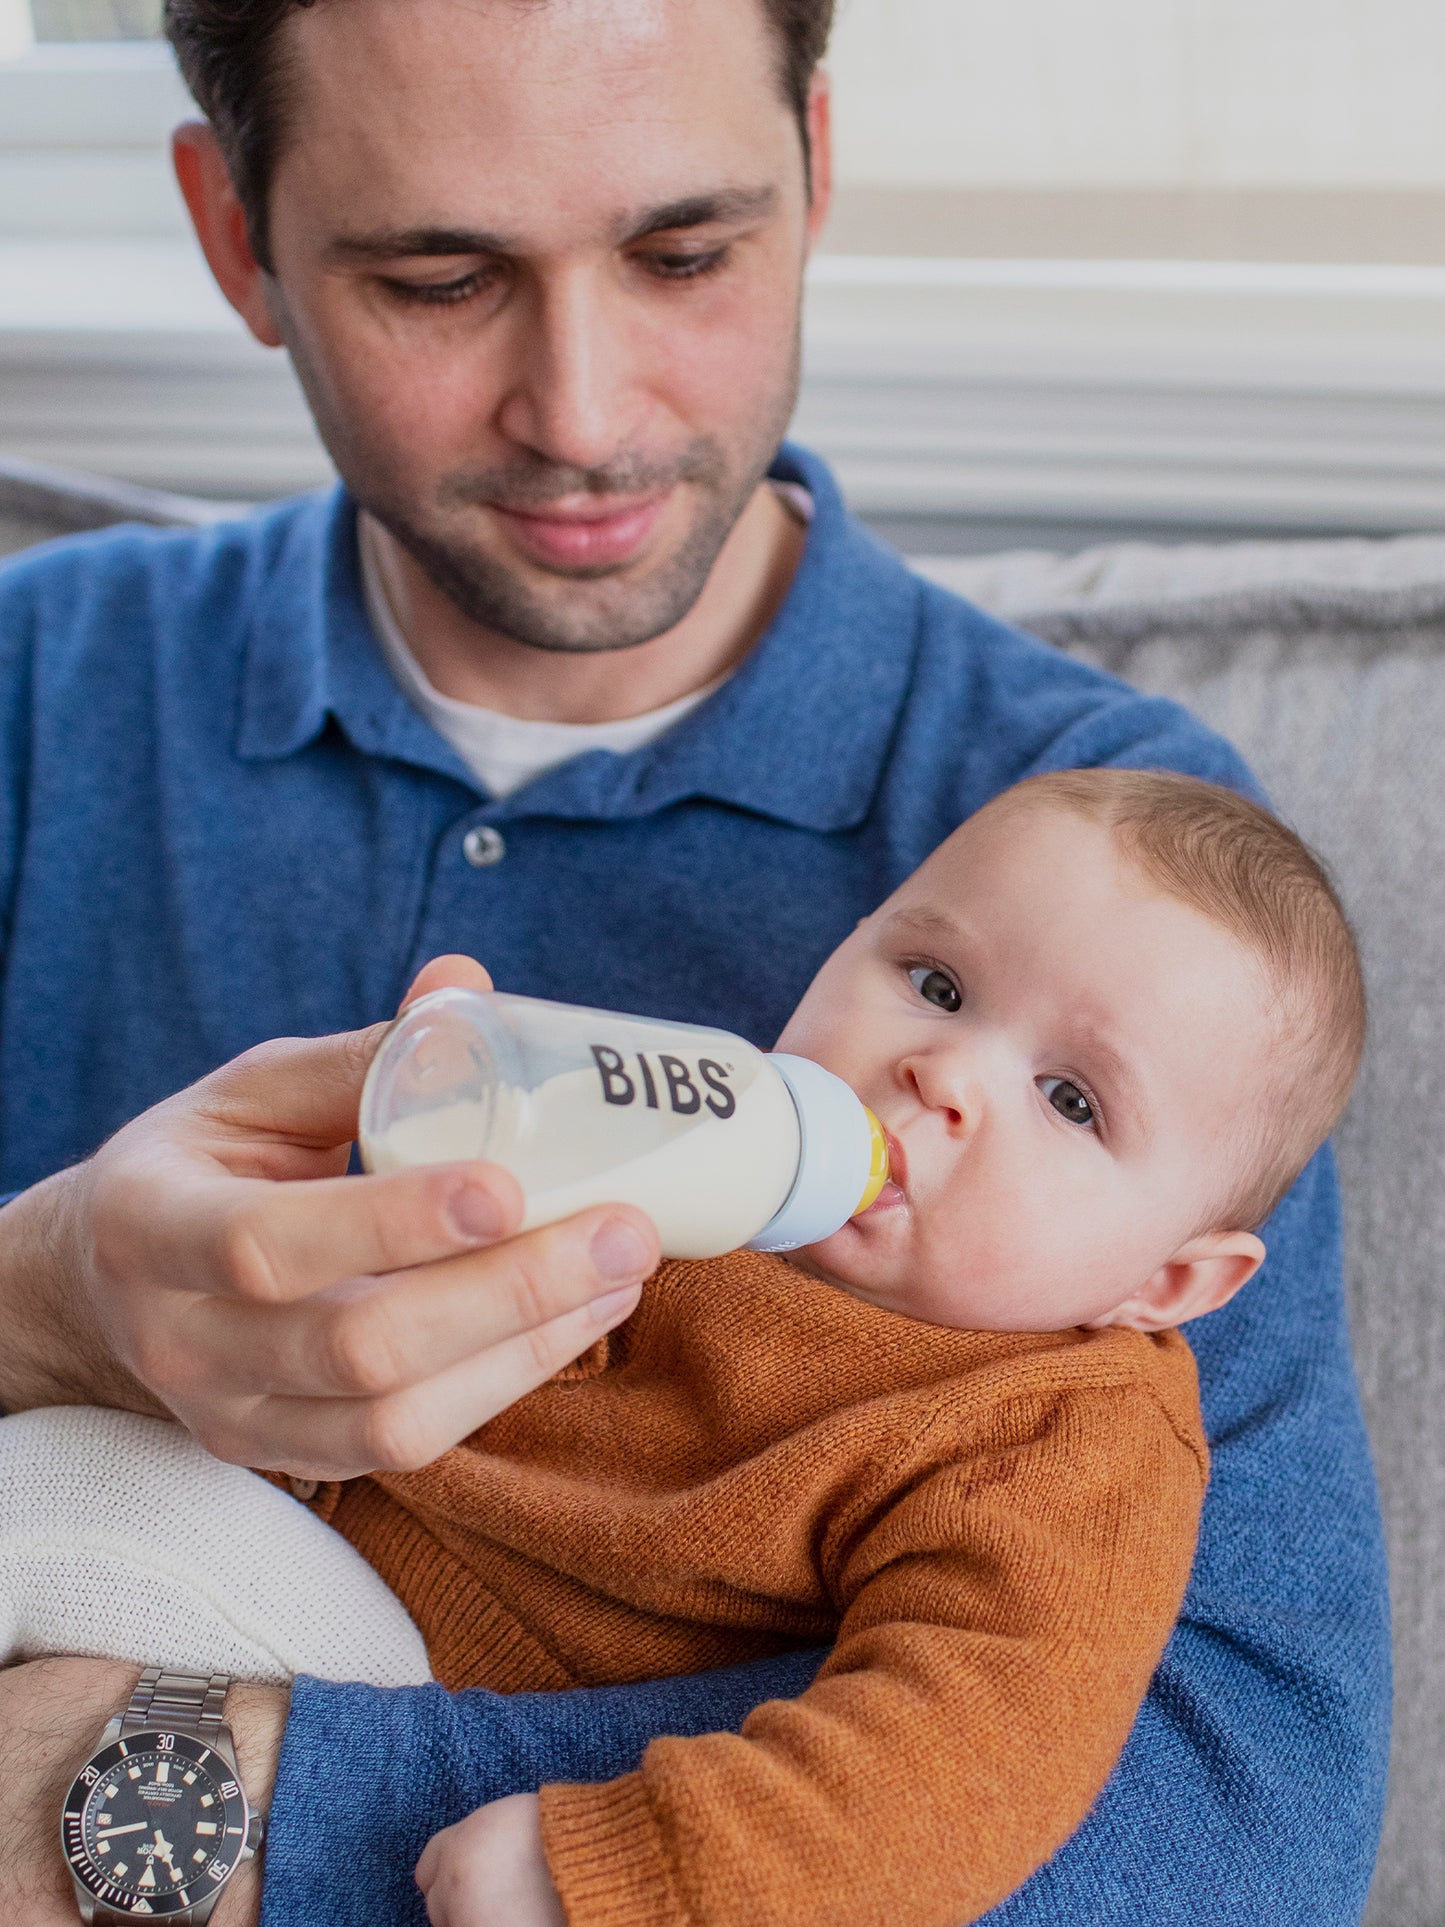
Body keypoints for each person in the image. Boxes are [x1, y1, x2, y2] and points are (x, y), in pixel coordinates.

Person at [0, 0, 1389, 1923]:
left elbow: (1232, 1814)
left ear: (815, 167)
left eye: (683, 253)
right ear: (236, 235)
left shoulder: (1113, 874)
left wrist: (189, 1803)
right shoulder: (32, 701)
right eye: (436, 274)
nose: (583, 412)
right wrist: (47, 1296)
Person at [1, 771, 1368, 1927]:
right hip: (306, 1513)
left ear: (1171, 1281)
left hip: (399, 1678)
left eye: (1068, 1099)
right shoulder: (709, 1159)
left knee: (45, 1497)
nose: (938, 1077)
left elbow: (966, 1758)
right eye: (934, 982)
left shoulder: (1053, 1439)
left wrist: (639, 1870)